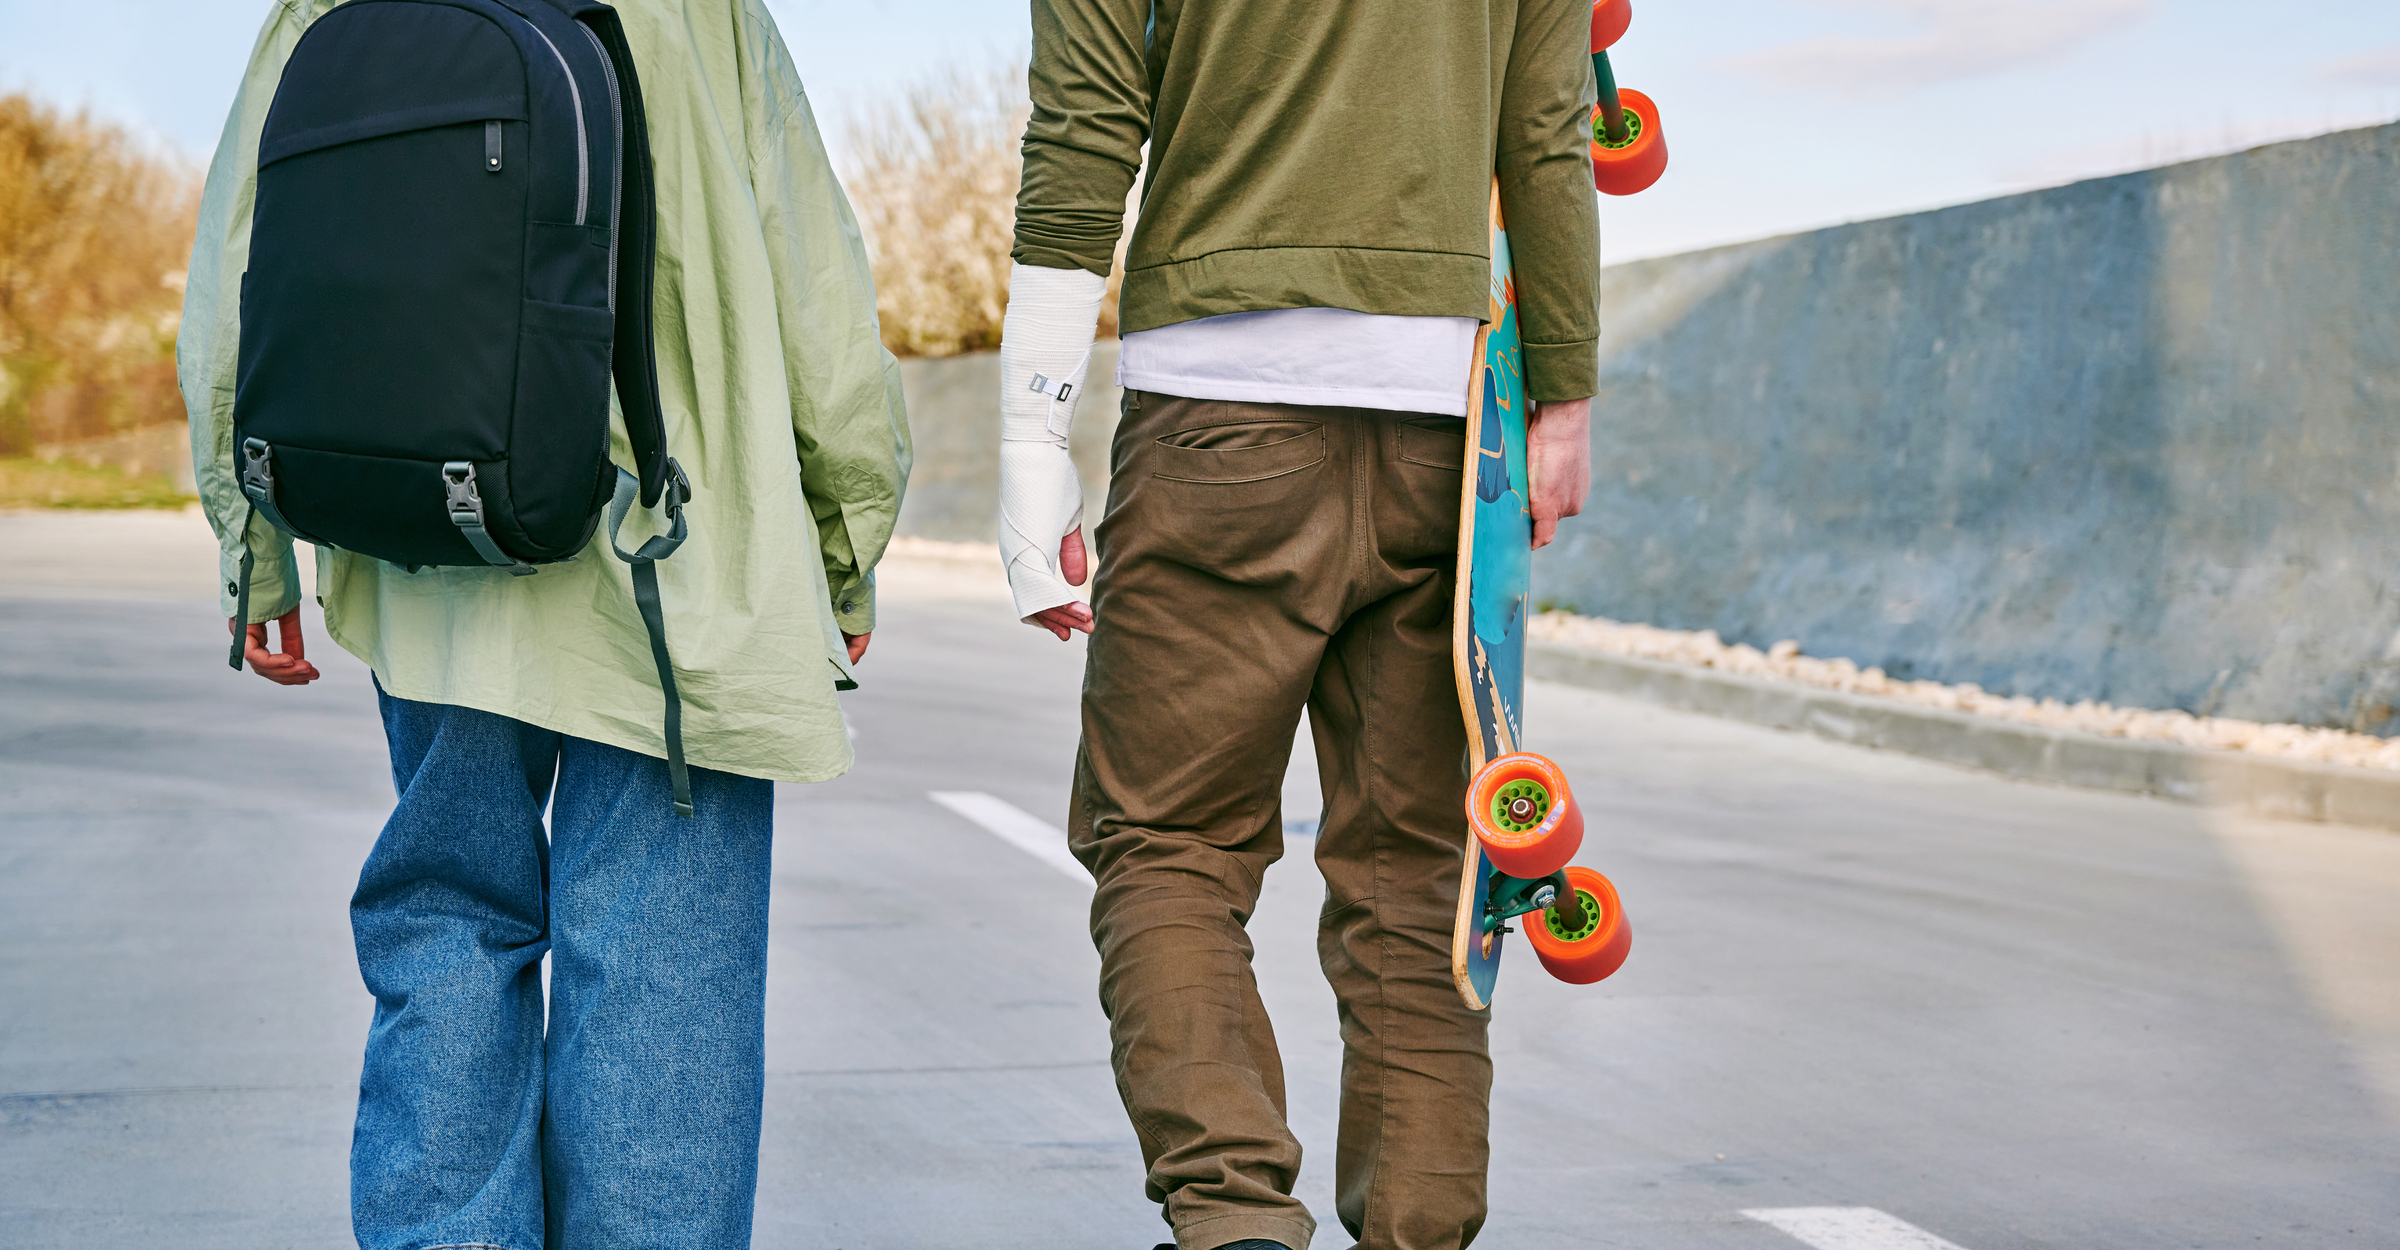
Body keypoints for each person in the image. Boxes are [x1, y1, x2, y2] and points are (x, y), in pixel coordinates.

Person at [176, 2, 909, 1246]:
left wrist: (255, 552)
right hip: (679, 557)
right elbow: (812, 278)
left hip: (431, 536)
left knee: (447, 923)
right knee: (665, 968)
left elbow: (241, 266)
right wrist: (846, 532)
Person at [995, 2, 1600, 1248]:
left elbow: (1085, 132)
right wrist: (1568, 395)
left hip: (1217, 413)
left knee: (1166, 841)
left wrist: (1029, 435)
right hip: (1452, 420)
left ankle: (1234, 1222)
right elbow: (1547, 128)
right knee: (1422, 876)